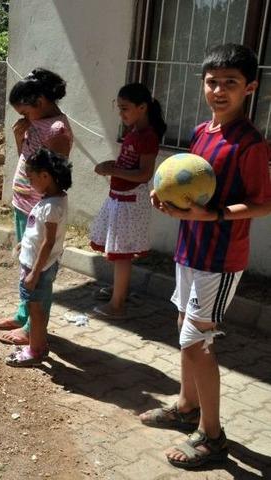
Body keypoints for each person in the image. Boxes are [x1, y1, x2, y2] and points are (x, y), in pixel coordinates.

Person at [138, 43, 271, 469]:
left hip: (220, 256)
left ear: (249, 87)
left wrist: (209, 214)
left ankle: (213, 437)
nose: (219, 90)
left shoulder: (250, 144)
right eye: (212, 82)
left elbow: (263, 203)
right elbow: (190, 186)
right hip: (189, 248)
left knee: (198, 342)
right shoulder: (200, 132)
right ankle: (185, 406)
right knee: (184, 329)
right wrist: (168, 199)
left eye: (230, 83)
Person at [0, 68, 73, 346]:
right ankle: (23, 314)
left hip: (39, 210)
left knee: (39, 272)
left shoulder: (57, 130)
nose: (23, 118)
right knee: (26, 265)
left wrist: (42, 209)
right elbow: (29, 162)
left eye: (25, 112)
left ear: (39, 102)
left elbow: (54, 175)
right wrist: (20, 138)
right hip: (23, 205)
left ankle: (33, 330)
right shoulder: (36, 124)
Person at [88, 83, 167, 319]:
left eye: (125, 109)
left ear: (142, 108)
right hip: (120, 199)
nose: (121, 114)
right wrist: (113, 169)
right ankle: (118, 291)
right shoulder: (134, 132)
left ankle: (117, 304)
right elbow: (129, 166)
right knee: (117, 250)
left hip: (130, 201)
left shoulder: (148, 137)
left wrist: (112, 170)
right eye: (119, 108)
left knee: (121, 254)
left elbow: (144, 174)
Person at [4, 147, 72, 367]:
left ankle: (35, 351)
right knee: (36, 307)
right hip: (38, 265)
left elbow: (48, 241)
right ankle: (38, 347)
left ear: (45, 176)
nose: (30, 183)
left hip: (39, 269)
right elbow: (40, 233)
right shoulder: (53, 199)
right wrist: (25, 243)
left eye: (32, 178)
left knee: (36, 309)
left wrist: (34, 272)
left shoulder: (52, 206)